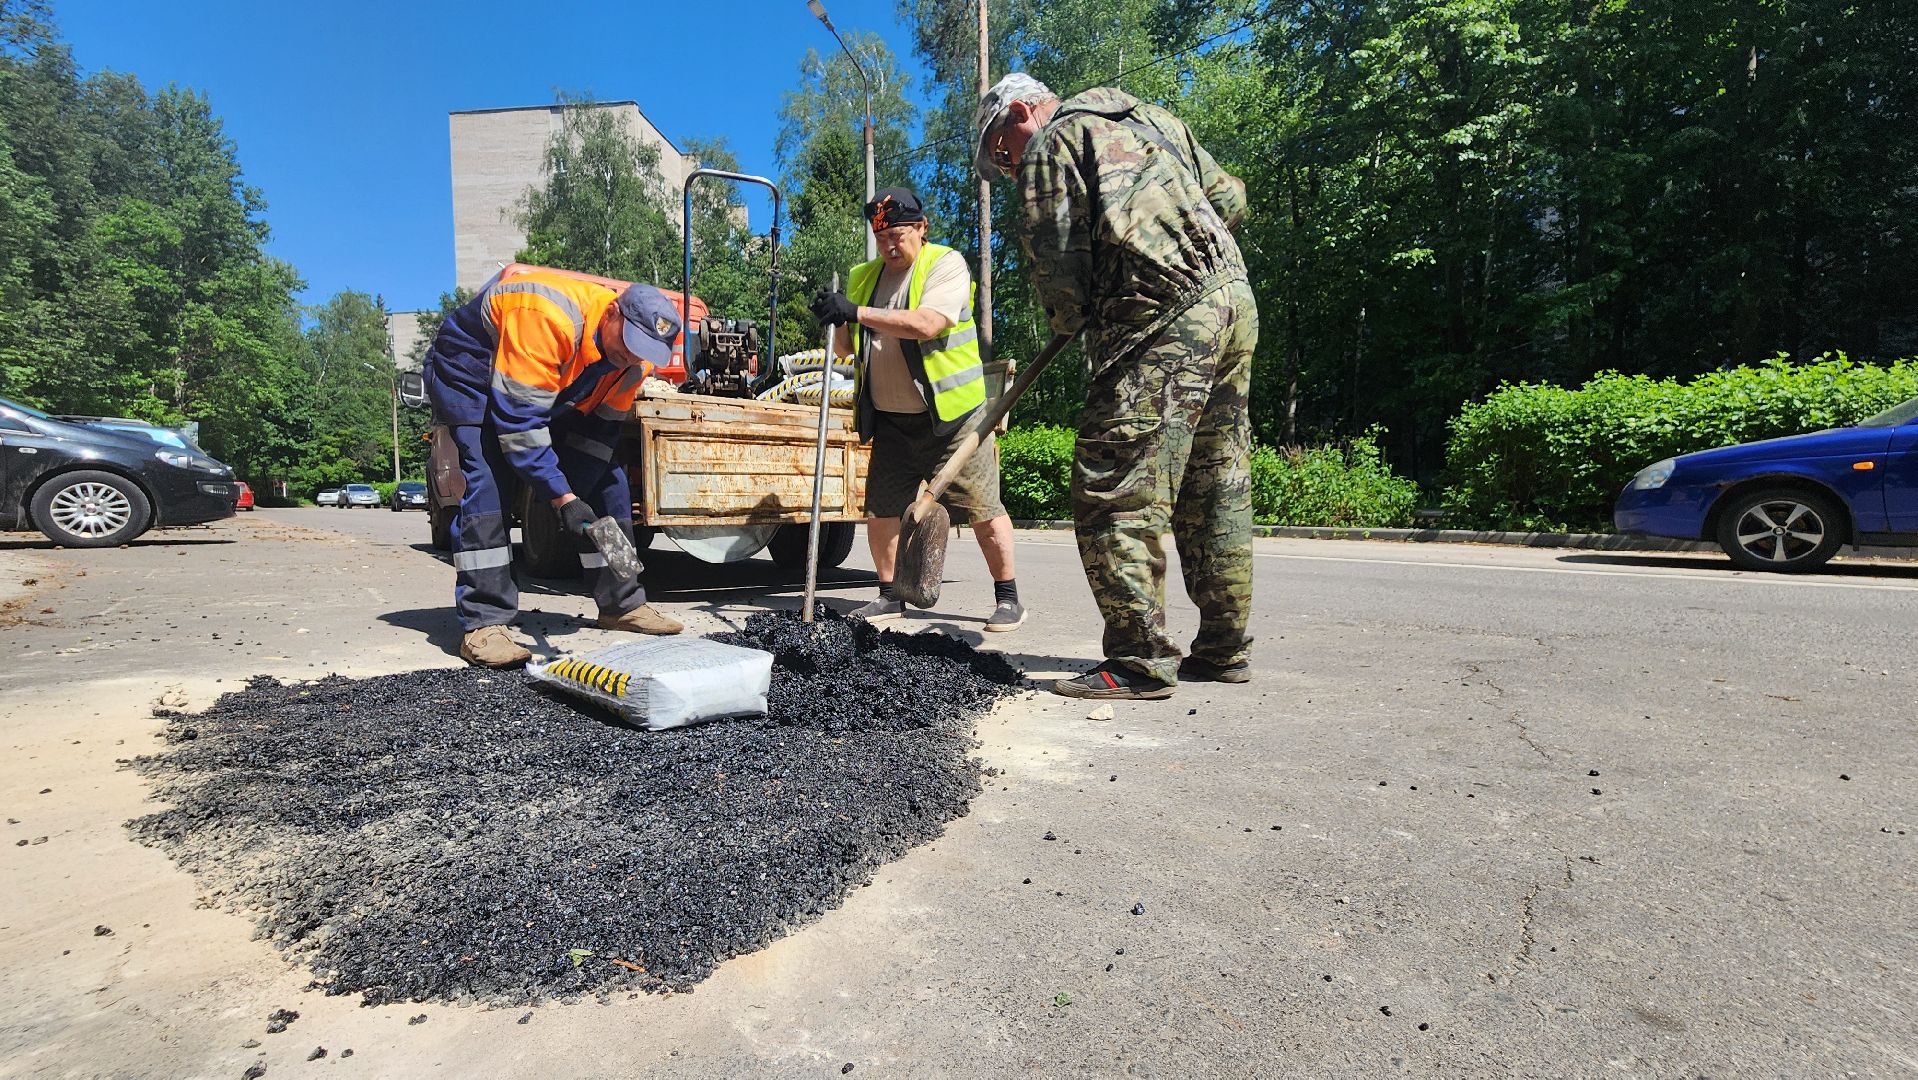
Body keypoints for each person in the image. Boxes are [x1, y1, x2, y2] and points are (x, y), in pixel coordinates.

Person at [975, 73, 1258, 699]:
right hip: (1232, 300)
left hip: (1158, 312)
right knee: (1214, 479)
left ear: (1020, 112)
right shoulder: (1155, 119)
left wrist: (1071, 314)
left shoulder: (1055, 140)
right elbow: (1230, 198)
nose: (1010, 167)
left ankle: (1139, 660)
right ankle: (1223, 648)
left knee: (1113, 481)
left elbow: (1057, 264)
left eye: (1002, 153)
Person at [423, 265, 684, 668]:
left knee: (609, 481)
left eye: (645, 349)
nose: (633, 355)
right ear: (612, 313)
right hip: (471, 371)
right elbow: (519, 427)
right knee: (490, 479)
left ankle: (622, 604)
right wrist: (562, 498)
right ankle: (484, 623)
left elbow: (599, 435)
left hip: (542, 383)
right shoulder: (547, 315)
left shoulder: (634, 363)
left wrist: (576, 496)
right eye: (630, 341)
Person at [810, 186, 1026, 632]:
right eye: (881, 237)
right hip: (890, 420)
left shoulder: (945, 264)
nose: (889, 245)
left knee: (983, 508)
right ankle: (890, 595)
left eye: (898, 235)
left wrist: (856, 311)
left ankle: (1008, 597)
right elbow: (846, 348)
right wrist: (836, 317)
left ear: (921, 228)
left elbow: (927, 324)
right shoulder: (863, 276)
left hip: (953, 419)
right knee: (882, 510)